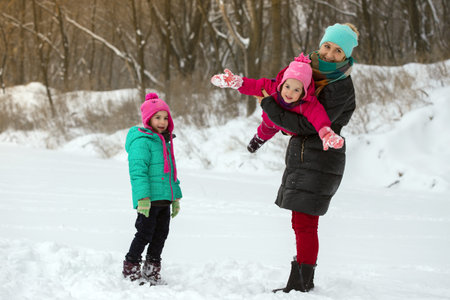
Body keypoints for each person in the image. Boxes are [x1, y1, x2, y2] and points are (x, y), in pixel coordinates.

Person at [259, 23, 359, 293]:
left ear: (346, 56)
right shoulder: (307, 74)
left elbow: (307, 125)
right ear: (320, 44)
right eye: (327, 46)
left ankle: (303, 282)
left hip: (322, 159)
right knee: (300, 221)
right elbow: (293, 107)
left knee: (305, 222)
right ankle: (300, 279)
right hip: (305, 155)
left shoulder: (340, 87)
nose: (329, 53)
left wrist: (269, 105)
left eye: (338, 50)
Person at [210, 53, 344, 153]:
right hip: (269, 121)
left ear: (304, 91)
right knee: (264, 131)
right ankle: (257, 140)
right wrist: (237, 82)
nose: (290, 93)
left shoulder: (308, 103)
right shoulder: (271, 87)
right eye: (287, 87)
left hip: (288, 128)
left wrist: (326, 133)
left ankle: (260, 138)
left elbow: (319, 117)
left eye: (297, 89)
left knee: (270, 129)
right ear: (282, 83)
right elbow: (254, 85)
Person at [122, 92, 182, 285]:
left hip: (164, 199)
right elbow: (138, 172)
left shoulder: (165, 141)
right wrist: (143, 198)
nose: (162, 121)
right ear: (148, 119)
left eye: (165, 117)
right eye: (158, 117)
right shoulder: (142, 141)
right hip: (148, 200)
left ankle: (151, 269)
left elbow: (171, 172)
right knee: (144, 234)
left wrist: (175, 197)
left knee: (160, 235)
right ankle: (131, 266)